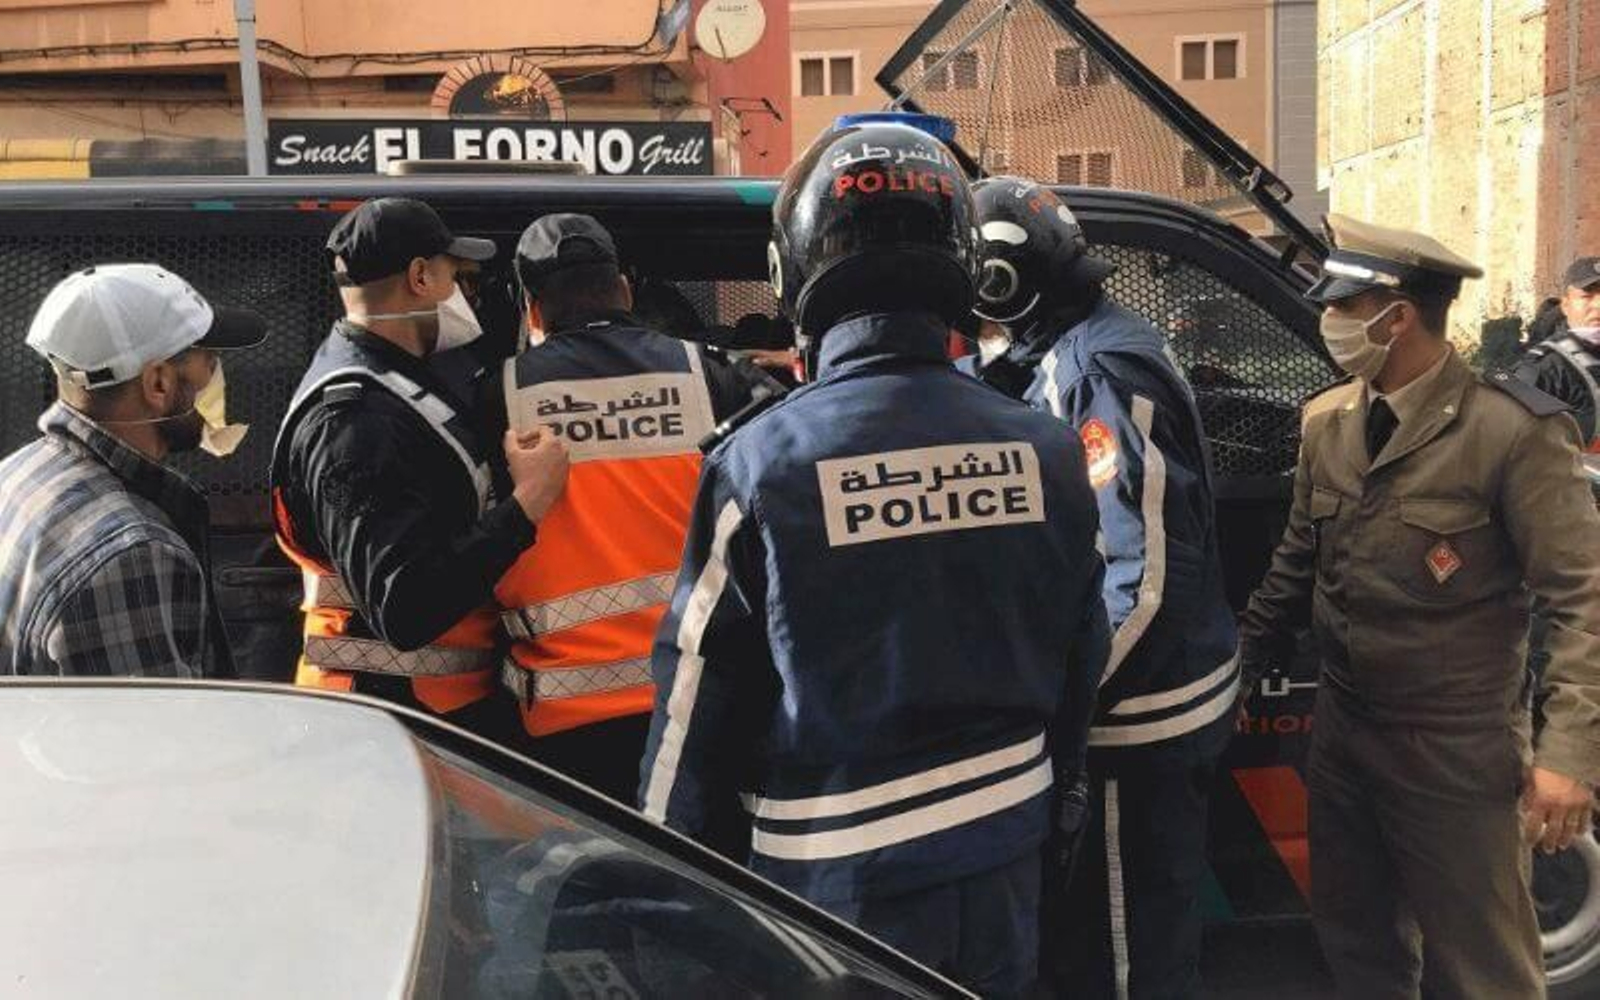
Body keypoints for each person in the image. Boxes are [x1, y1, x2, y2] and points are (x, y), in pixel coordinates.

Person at [637, 118, 1110, 997]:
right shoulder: (1046, 447)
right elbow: (1085, 649)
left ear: (793, 271)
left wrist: (661, 895)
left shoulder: (760, 464)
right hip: (1006, 848)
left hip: (837, 887)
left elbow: (694, 711)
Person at [1238, 214, 1600, 1000]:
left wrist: (1568, 755)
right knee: (1357, 946)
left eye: (1343, 306)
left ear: (1395, 317)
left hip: (1456, 746)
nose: (1330, 320)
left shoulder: (1510, 433)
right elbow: (1296, 564)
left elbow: (1583, 599)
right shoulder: (1328, 422)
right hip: (1344, 735)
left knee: (1482, 967)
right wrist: (1241, 665)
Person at [968, 176, 1240, 1000]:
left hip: (1136, 723)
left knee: (1125, 958)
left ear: (1001, 283)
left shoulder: (1100, 374)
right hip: (1139, 707)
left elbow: (1146, 576)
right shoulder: (1076, 344)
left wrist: (1067, 702)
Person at [271, 197, 568, 743]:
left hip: (415, 719)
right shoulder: (355, 422)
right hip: (378, 729)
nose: (468, 296)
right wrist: (527, 504)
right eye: (459, 277)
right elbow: (404, 606)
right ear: (421, 276)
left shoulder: (395, 383)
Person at [491, 213, 755, 801]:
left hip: (566, 725)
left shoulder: (497, 394)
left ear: (532, 310)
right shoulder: (709, 376)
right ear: (625, 291)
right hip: (698, 698)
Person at [1, 263, 265, 676]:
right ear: (158, 383)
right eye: (210, 362)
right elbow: (153, 719)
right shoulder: (132, 555)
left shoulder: (17, 474)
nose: (218, 379)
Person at [1510, 256, 1600, 448]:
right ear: (1566, 305)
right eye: (1587, 296)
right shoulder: (1545, 368)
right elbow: (1512, 446)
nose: (1598, 305)